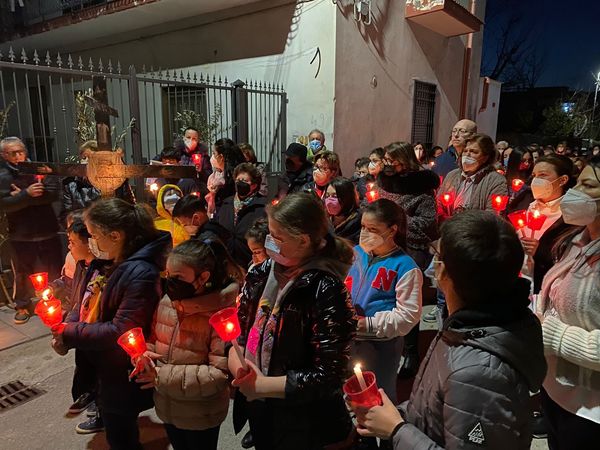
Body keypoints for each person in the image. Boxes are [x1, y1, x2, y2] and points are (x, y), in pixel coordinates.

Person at [351, 210, 547, 450]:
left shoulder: (478, 374)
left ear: (445, 272)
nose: (433, 263)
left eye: (438, 256)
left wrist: (397, 430)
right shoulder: (466, 327)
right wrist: (395, 414)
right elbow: (440, 408)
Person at [231, 193, 356, 450]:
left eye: (276, 237)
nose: (269, 241)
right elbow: (240, 329)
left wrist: (264, 386)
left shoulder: (325, 288)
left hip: (304, 420)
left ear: (302, 241)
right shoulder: (262, 272)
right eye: (269, 233)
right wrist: (239, 366)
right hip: (261, 409)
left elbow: (329, 374)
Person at [51, 198, 172, 449]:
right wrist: (66, 325)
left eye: (94, 235)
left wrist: (69, 332)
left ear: (115, 236)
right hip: (102, 364)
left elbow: (121, 330)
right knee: (114, 425)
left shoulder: (141, 272)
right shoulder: (105, 262)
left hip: (122, 369)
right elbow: (83, 302)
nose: (90, 242)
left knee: (121, 435)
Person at [131, 239, 240, 450]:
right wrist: (142, 355)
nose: (171, 282)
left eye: (178, 277)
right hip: (167, 406)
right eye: (168, 275)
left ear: (203, 277)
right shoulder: (167, 302)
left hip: (201, 414)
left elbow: (219, 375)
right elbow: (154, 341)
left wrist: (160, 376)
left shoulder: (221, 315)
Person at [534, 157, 600, 449]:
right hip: (555, 390)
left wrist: (550, 333)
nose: (575, 192)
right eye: (578, 183)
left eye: (588, 186)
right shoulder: (575, 240)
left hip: (591, 410)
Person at [346, 199, 422, 405]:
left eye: (372, 229)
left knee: (379, 397)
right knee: (351, 395)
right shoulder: (356, 253)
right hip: (349, 339)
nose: (365, 233)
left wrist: (368, 324)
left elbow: (408, 316)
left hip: (380, 345)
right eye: (363, 227)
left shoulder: (405, 267)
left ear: (392, 230)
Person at [429, 134, 508, 324]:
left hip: (472, 241)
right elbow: (438, 202)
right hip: (448, 236)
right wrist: (443, 213)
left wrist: (466, 220)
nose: (468, 155)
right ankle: (442, 311)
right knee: (444, 279)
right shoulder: (452, 176)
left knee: (463, 287)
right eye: (466, 151)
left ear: (486, 156)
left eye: (474, 152)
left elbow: (493, 215)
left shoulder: (495, 180)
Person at [0, 137, 63, 324]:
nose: (19, 156)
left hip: (47, 228)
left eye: (21, 151)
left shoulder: (39, 168)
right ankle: (22, 304)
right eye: (13, 153)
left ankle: (57, 301)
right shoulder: (3, 175)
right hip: (21, 233)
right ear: (4, 155)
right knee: (22, 272)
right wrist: (26, 194)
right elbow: (4, 204)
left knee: (55, 268)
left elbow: (53, 193)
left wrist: (21, 196)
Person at [375, 142, 439, 269]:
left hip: (410, 251)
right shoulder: (385, 182)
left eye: (391, 160)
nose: (386, 164)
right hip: (382, 244)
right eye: (385, 159)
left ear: (404, 161)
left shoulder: (421, 186)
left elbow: (427, 223)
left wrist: (395, 219)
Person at [215, 163, 267, 268]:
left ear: (254, 185)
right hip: (227, 264)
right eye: (238, 180)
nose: (240, 184)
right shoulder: (226, 203)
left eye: (244, 181)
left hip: (251, 263)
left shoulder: (262, 206)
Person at [206, 138, 246, 217]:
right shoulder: (219, 174)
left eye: (214, 153)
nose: (212, 157)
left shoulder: (231, 179)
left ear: (221, 157)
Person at [325, 177, 362, 244]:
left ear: (347, 198)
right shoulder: (325, 220)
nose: (329, 201)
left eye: (335, 196)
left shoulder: (359, 223)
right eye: (327, 196)